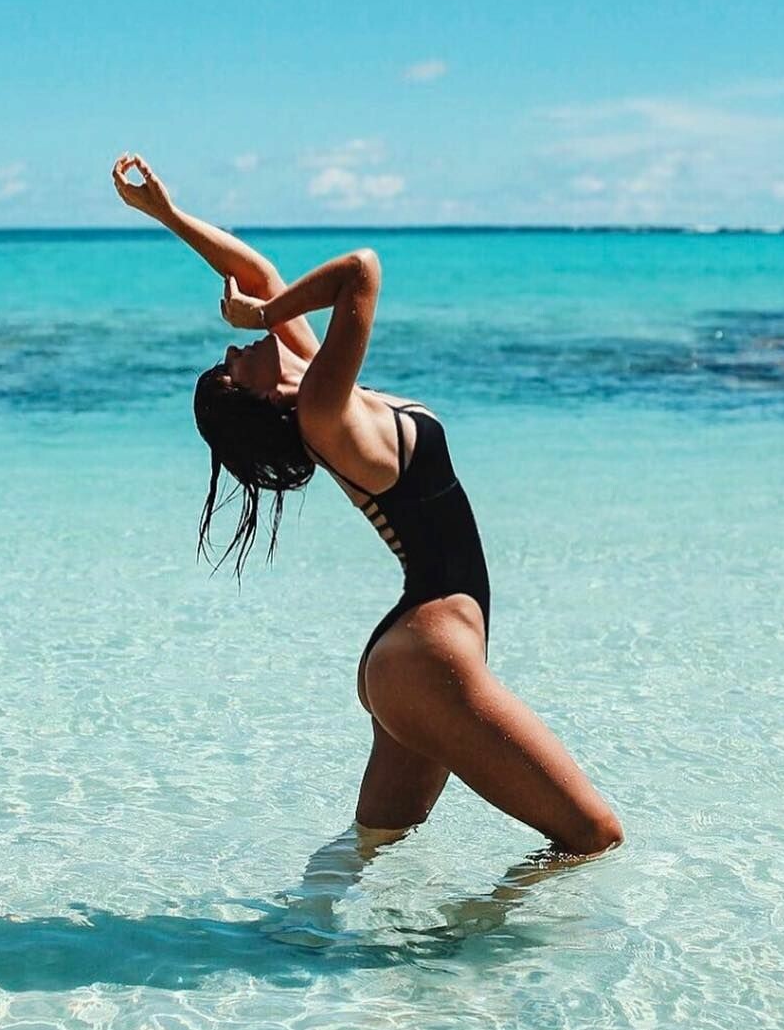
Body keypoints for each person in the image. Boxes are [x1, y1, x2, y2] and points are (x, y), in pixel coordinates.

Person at [113, 152, 625, 861]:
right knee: (594, 836)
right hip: (427, 654)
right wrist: (265, 313)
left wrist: (167, 215)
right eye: (231, 364)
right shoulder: (323, 412)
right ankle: (476, 923)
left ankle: (311, 929)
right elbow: (361, 270)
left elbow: (260, 275)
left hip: (413, 654)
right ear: (255, 397)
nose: (235, 346)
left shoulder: (321, 389)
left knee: (375, 848)